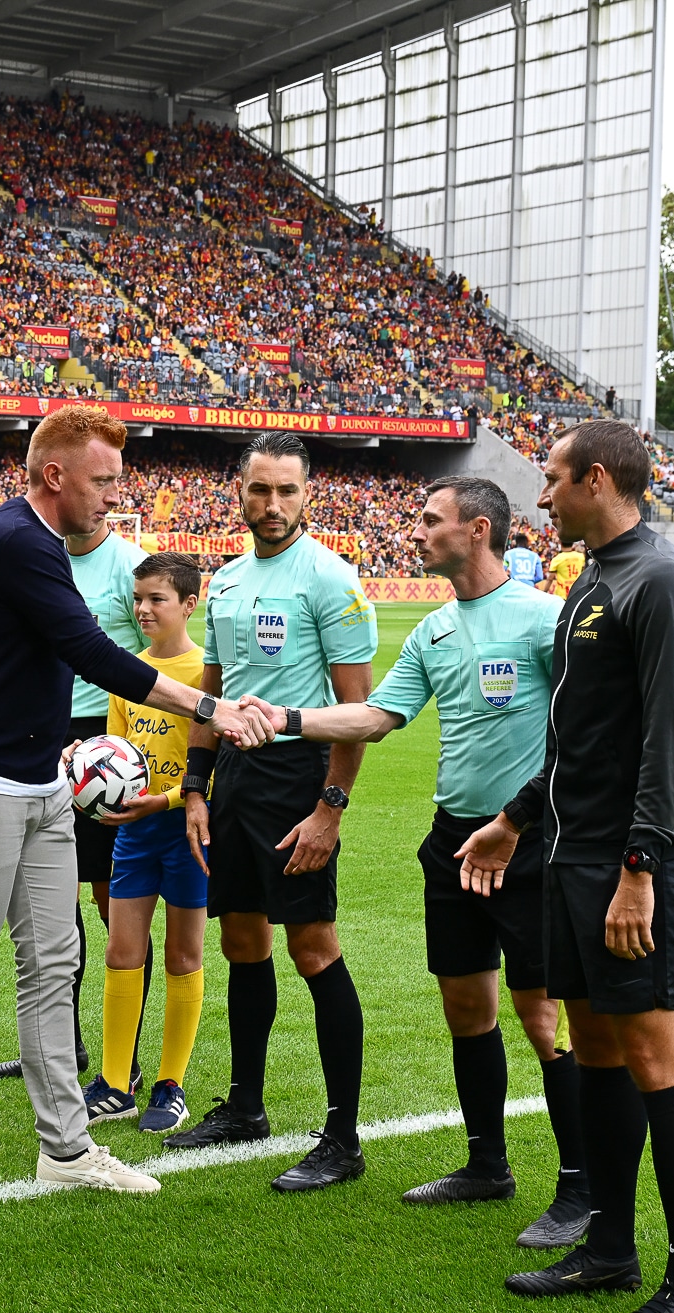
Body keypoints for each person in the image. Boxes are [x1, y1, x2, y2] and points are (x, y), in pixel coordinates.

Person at [0, 406, 270, 1195]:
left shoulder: (38, 543)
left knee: (53, 961)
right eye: (104, 479)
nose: (116, 494)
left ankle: (68, 1149)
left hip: (41, 784)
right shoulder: (18, 541)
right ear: (56, 476)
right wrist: (211, 708)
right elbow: (89, 652)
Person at [240, 477, 591, 1247]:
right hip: (452, 843)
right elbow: (377, 716)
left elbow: (581, 741)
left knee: (542, 1018)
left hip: (527, 845)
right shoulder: (434, 629)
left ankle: (580, 1188)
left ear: (477, 529)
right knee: (467, 1008)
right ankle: (487, 1164)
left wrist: (516, 822)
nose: (417, 530)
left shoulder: (542, 621)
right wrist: (288, 718)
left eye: (430, 519)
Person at [458, 419, 674, 1313]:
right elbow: (577, 738)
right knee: (601, 1051)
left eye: (554, 480)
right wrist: (519, 816)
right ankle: (610, 1246)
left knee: (655, 1056)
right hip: (567, 854)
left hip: (626, 863)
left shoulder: (660, 581)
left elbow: (667, 743)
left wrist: (640, 870)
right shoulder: (592, 581)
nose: (541, 497)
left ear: (598, 479)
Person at [167, 432, 377, 1195]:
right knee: (242, 942)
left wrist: (330, 809)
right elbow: (209, 696)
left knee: (313, 947)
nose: (274, 505)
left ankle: (343, 1137)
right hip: (233, 778)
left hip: (299, 777)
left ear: (307, 494)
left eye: (287, 491)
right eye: (261, 489)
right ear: (241, 490)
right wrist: (196, 785)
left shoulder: (330, 579)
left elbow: (358, 712)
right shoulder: (223, 582)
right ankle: (247, 1107)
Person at [0, 511, 147, 1082]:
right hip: (44, 735)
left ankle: (120, 1058)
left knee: (115, 905)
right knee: (53, 907)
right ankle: (65, 1046)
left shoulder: (129, 565)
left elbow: (152, 652)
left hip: (107, 755)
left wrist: (122, 744)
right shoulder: (36, 554)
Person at [83, 552, 209, 1134]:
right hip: (133, 833)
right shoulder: (128, 673)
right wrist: (92, 782)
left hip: (188, 832)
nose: (143, 609)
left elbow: (216, 766)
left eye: (157, 599)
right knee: (121, 951)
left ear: (189, 603)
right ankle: (114, 1083)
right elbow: (115, 752)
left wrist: (167, 800)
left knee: (184, 956)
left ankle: (171, 1083)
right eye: (138, 599)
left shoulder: (207, 673)